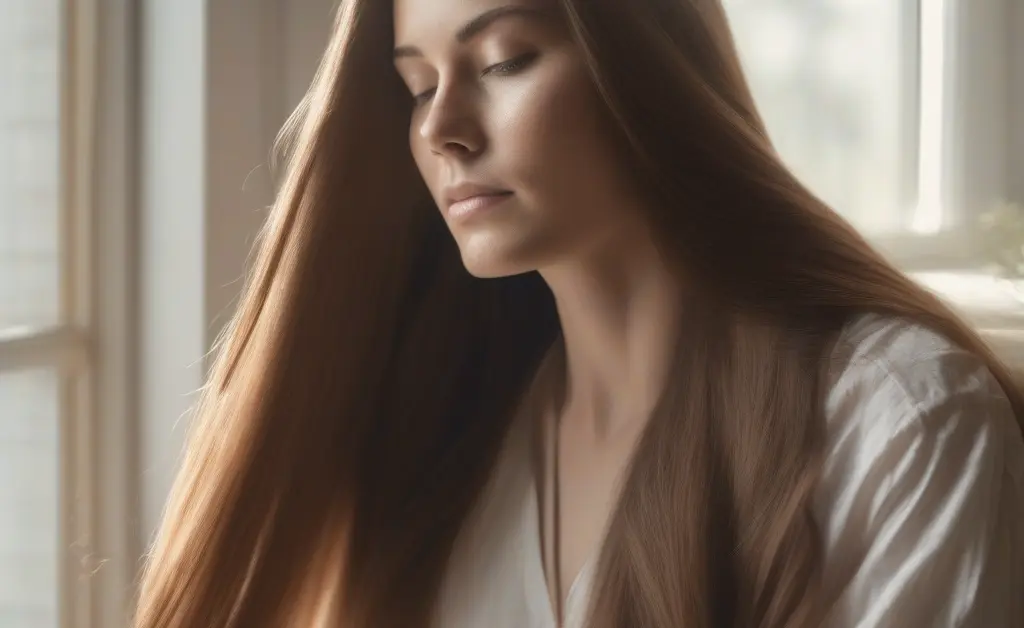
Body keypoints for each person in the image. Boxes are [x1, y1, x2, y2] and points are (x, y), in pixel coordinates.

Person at [134, 0, 1024, 626]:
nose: (444, 128)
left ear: (648, 68)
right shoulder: (446, 437)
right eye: (415, 85)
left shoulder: (900, 416)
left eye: (503, 60)